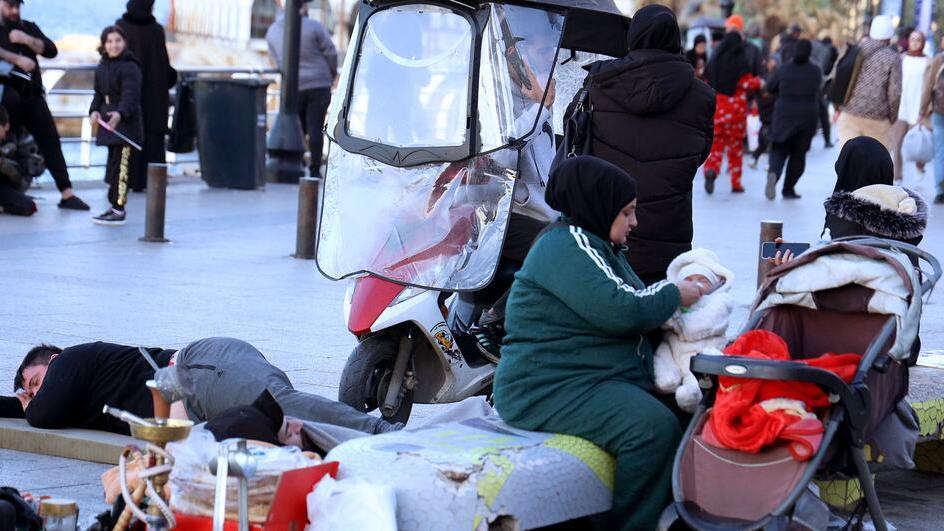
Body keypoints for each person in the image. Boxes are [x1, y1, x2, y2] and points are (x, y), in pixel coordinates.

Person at [493, 156, 705, 531]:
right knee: (651, 427)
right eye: (626, 213)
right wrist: (675, 294)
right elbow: (622, 309)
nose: (634, 223)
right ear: (599, 206)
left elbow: (637, 298)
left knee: (690, 410)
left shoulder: (598, 247)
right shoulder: (566, 245)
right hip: (546, 388)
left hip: (591, 380)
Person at [0, 337, 400, 437]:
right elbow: (37, 410)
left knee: (282, 407)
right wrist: (19, 403)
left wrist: (29, 405)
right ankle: (369, 444)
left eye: (34, 383)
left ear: (52, 361)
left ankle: (380, 433)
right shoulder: (68, 388)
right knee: (286, 435)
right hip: (193, 407)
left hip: (199, 372)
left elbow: (44, 413)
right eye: (29, 393)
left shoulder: (70, 360)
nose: (34, 395)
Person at [579, 4, 715, 285]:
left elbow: (582, 146)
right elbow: (700, 152)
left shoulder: (601, 84)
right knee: (659, 310)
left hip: (608, 226)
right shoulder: (701, 96)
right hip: (668, 231)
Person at [0, 0, 89, 210]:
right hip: (6, 100)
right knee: (6, 146)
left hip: (33, 97)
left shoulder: (28, 27)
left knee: (50, 140)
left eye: (17, 6)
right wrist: (15, 58)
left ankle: (67, 194)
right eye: (9, 6)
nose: (14, 11)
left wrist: (26, 39)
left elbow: (51, 50)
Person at [653, 248, 734, 413]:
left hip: (701, 352)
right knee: (662, 351)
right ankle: (665, 380)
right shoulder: (678, 302)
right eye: (688, 280)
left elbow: (700, 326)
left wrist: (675, 322)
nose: (695, 284)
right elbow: (663, 320)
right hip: (675, 349)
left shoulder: (719, 301)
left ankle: (693, 396)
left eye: (702, 280)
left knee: (704, 367)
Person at [266, 0, 337, 178]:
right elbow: (330, 52)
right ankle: (314, 169)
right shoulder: (315, 27)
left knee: (298, 127)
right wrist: (332, 74)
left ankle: (297, 163)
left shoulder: (272, 32)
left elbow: (274, 61)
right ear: (302, 7)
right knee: (315, 128)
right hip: (319, 84)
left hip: (292, 87)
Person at [116, 0, 177, 192]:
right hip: (155, 101)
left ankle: (127, 182)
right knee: (153, 145)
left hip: (129, 99)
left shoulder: (121, 27)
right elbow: (164, 69)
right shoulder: (156, 30)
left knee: (127, 143)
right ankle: (152, 183)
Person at [89, 25, 142, 225]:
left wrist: (120, 114)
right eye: (109, 41)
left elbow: (131, 96)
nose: (114, 45)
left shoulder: (130, 66)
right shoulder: (102, 66)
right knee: (112, 168)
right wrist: (93, 111)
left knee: (122, 169)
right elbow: (98, 94)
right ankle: (113, 206)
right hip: (107, 123)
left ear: (125, 42)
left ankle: (119, 209)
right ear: (104, 44)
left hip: (125, 126)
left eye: (118, 40)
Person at [704, 31, 763, 193]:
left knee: (715, 146)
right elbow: (747, 84)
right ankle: (736, 183)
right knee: (735, 148)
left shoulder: (714, 60)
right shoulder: (740, 60)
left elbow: (705, 81)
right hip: (736, 111)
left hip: (718, 109)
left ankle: (711, 170)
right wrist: (760, 82)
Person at [764, 39, 822, 200]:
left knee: (778, 150)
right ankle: (788, 189)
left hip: (783, 116)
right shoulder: (815, 71)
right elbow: (820, 89)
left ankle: (774, 174)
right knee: (798, 156)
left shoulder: (784, 68)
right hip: (807, 118)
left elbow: (770, 86)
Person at [835, 15, 902, 153]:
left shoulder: (853, 50)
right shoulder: (893, 57)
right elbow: (895, 93)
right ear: (889, 37)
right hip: (878, 119)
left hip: (849, 113)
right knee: (875, 165)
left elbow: (838, 77)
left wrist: (837, 107)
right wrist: (891, 118)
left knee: (848, 162)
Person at [888, 30, 930, 185]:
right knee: (896, 143)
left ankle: (920, 166)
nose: (915, 42)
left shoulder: (928, 61)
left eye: (918, 39)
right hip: (901, 108)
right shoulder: (901, 58)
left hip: (919, 108)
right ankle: (897, 176)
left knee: (920, 142)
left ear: (923, 42)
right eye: (912, 39)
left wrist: (926, 109)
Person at [0, 106, 36, 216]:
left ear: (7, 126)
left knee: (29, 206)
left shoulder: (13, 144)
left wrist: (2, 164)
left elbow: (21, 178)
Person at [922, 36, 944, 204]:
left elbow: (929, 84)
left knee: (940, 151)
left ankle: (940, 190)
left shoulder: (939, 58)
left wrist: (923, 108)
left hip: (940, 110)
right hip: (939, 111)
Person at [814, 33, 839, 147]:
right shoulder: (831, 49)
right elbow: (834, 65)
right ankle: (827, 140)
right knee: (823, 111)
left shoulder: (814, 46)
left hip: (811, 81)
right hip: (823, 82)